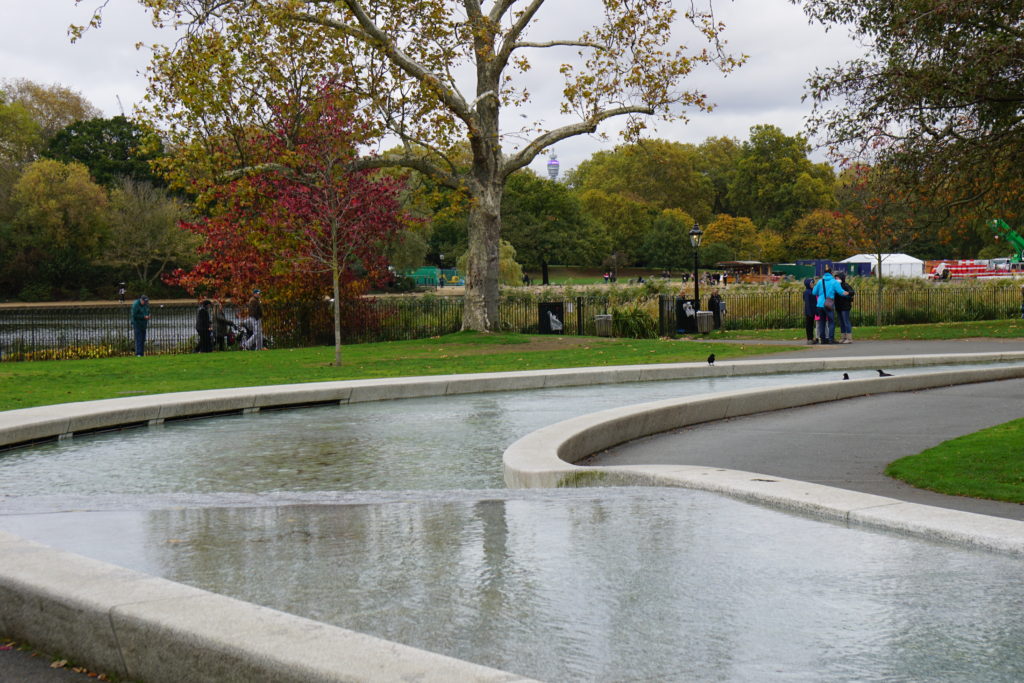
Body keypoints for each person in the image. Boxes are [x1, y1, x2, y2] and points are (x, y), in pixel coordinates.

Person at [811, 266, 848, 344]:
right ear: (831, 273)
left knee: (822, 322)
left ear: (824, 273)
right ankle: (831, 339)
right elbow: (841, 292)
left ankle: (823, 339)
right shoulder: (834, 282)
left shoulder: (820, 281)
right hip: (829, 304)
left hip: (820, 304)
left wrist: (821, 294)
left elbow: (814, 292)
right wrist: (848, 293)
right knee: (831, 322)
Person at [835, 272, 855, 343]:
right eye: (836, 278)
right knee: (841, 322)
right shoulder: (835, 286)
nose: (836, 279)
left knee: (846, 321)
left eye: (838, 278)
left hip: (845, 306)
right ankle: (843, 337)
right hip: (838, 306)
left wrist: (848, 293)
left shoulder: (845, 285)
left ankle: (849, 338)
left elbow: (852, 292)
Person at [802, 278, 818, 344]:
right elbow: (807, 302)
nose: (812, 284)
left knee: (812, 325)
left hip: (813, 310)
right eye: (811, 283)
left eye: (813, 283)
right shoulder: (806, 292)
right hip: (809, 311)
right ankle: (809, 339)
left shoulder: (813, 290)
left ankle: (812, 338)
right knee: (809, 325)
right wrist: (808, 312)